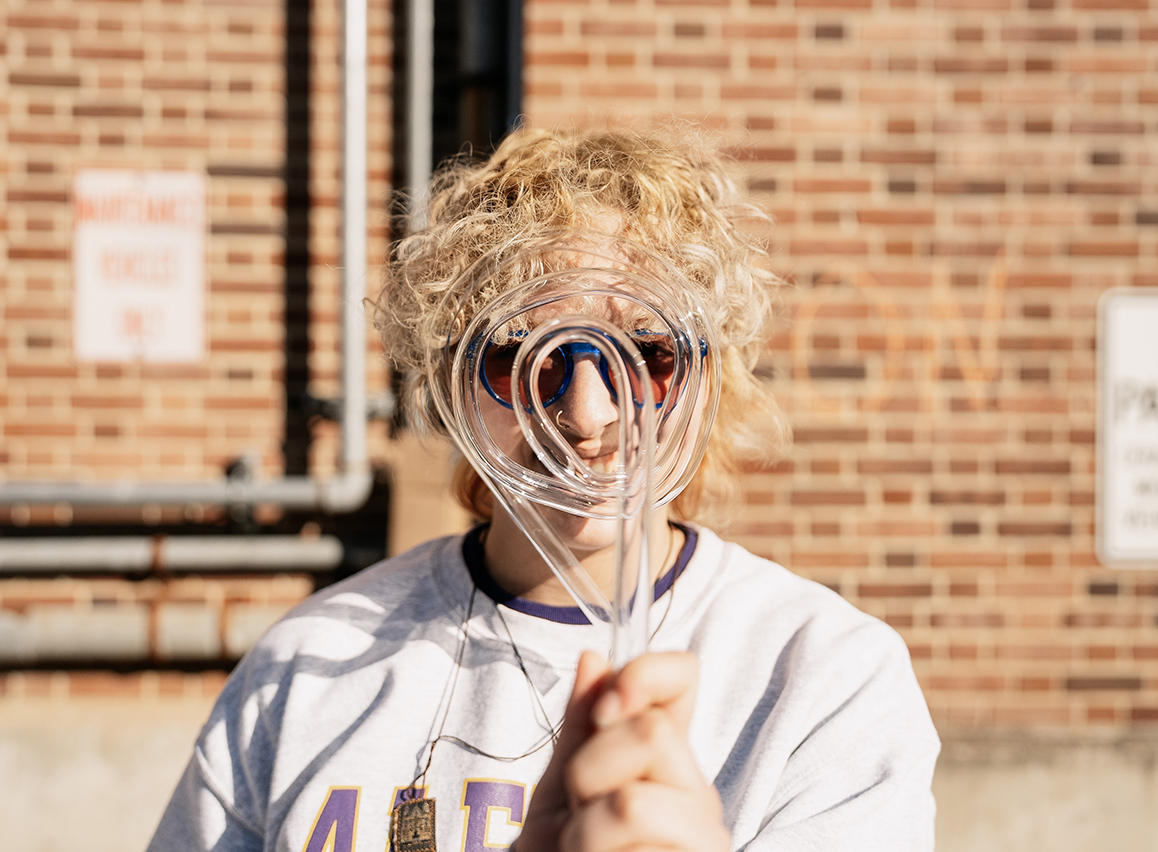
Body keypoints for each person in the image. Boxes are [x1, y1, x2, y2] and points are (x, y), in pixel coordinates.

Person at [147, 127, 939, 852]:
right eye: (523, 358)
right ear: (451, 386)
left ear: (706, 371)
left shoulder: (820, 678)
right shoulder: (306, 667)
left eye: (648, 354)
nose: (587, 416)